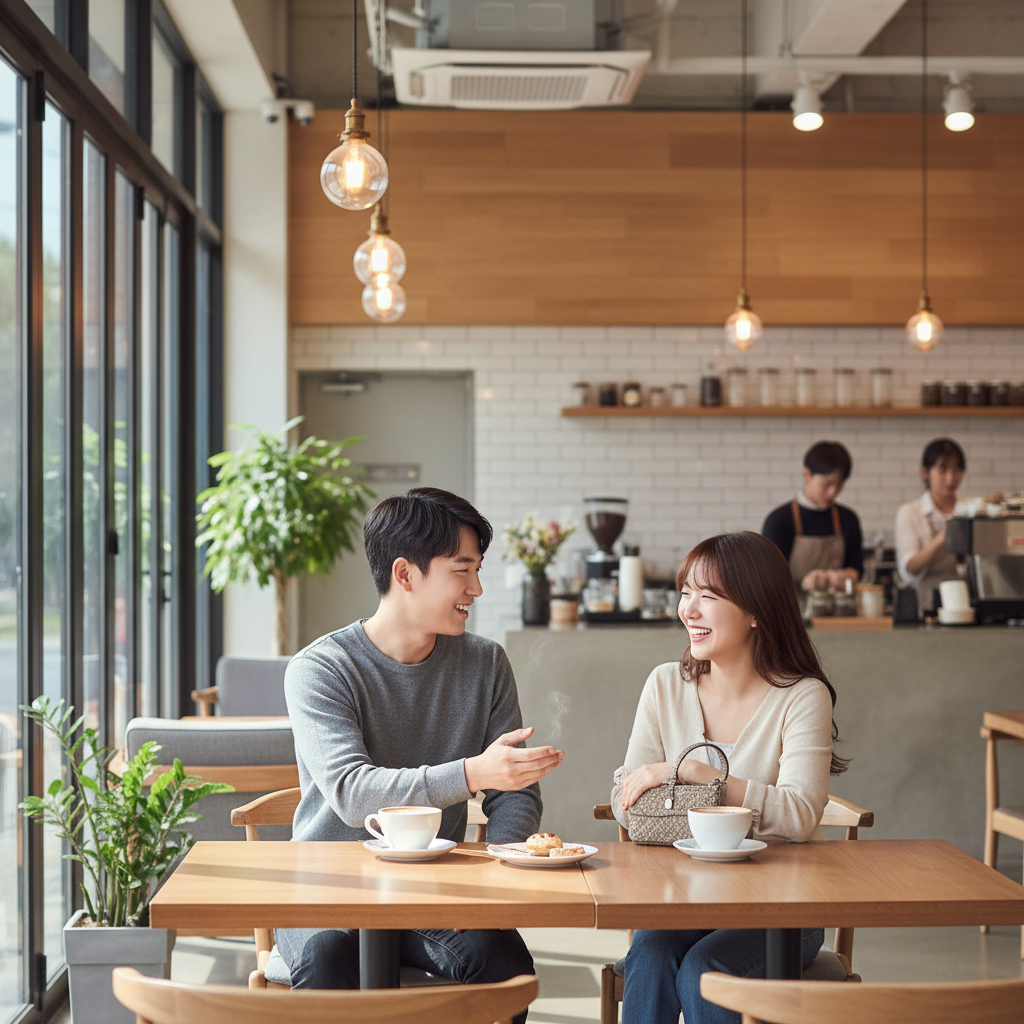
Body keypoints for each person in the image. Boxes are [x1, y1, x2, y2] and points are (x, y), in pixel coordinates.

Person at [278, 487, 564, 1019]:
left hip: (434, 892)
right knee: (328, 957)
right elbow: (352, 793)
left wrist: (494, 886)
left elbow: (515, 791)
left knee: (503, 960)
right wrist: (475, 772)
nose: (477, 588)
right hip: (325, 892)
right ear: (405, 574)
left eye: (478, 570)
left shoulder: (484, 662)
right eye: (463, 570)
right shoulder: (321, 669)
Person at [610, 531, 847, 1024]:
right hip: (684, 901)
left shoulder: (803, 696)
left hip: (784, 911)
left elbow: (801, 814)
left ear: (757, 609)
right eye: (685, 593)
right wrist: (656, 788)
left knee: (704, 968)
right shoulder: (664, 685)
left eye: (708, 597)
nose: (688, 611)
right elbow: (625, 798)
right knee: (650, 958)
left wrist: (699, 776)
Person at [894, 437, 1000, 614]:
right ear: (926, 472)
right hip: (925, 604)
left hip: (967, 602)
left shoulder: (971, 510)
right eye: (943, 470)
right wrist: (944, 537)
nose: (951, 478)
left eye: (957, 470)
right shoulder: (909, 512)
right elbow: (909, 570)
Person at [762, 440, 863, 594]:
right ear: (807, 474)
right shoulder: (779, 521)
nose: (832, 492)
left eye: (839, 485)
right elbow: (768, 579)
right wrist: (803, 583)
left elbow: (857, 569)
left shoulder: (848, 519)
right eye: (826, 484)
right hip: (791, 612)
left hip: (839, 613)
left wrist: (847, 576)